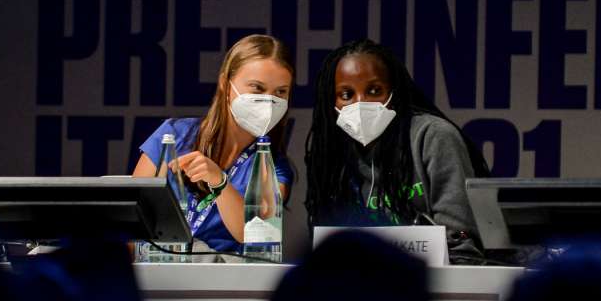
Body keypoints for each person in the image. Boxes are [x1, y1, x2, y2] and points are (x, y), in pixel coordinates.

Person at [304, 38, 489, 255]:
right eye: (346, 95)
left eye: (374, 90)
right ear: (331, 102)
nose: (360, 102)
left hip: (432, 282)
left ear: (394, 92)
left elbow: (460, 244)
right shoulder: (332, 154)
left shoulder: (432, 136)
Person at [132, 35, 294, 253]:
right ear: (225, 85)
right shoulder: (173, 135)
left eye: (280, 92)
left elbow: (257, 233)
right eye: (257, 88)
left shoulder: (273, 166)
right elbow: (131, 221)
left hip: (225, 280)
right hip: (160, 271)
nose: (269, 100)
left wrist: (220, 183)